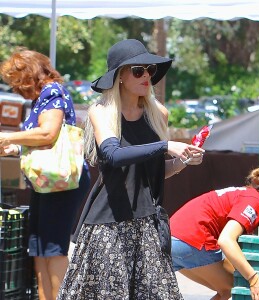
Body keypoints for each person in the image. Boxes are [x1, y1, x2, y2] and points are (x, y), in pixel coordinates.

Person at [56, 38, 205, 299]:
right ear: (120, 76)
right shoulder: (101, 111)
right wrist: (165, 145)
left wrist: (182, 161)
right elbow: (113, 155)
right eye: (138, 70)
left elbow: (154, 173)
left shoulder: (158, 113)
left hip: (147, 223)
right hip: (108, 223)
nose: (147, 75)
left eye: (150, 70)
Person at [0, 48, 91, 300]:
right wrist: (15, 147)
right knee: (38, 248)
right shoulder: (42, 97)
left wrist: (8, 136)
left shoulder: (53, 92)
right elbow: (42, 140)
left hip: (61, 182)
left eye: (16, 81)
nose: (16, 88)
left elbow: (47, 133)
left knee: (53, 248)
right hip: (46, 182)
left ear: (29, 74)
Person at [170, 167, 259, 300]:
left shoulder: (250, 195)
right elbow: (226, 240)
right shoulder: (255, 202)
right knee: (233, 287)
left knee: (227, 288)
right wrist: (254, 279)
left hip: (173, 239)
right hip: (192, 238)